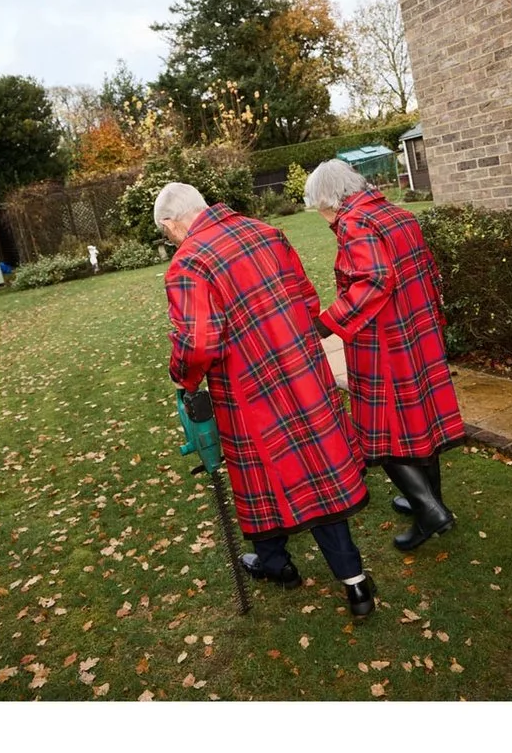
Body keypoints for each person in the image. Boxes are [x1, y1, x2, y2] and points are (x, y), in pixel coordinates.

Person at [156, 182, 376, 617]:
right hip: (302, 373)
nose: (171, 240)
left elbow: (199, 343)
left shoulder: (188, 264)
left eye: (167, 234)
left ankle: (282, 565)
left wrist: (183, 378)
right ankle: (347, 582)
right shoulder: (267, 233)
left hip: (247, 388)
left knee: (263, 473)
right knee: (317, 471)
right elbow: (307, 297)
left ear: (171, 223)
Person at [304, 160, 467, 549]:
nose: (322, 217)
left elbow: (375, 278)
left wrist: (328, 322)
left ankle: (429, 511)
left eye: (319, 207)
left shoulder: (354, 222)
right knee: (419, 423)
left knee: (380, 431)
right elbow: (429, 270)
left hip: (384, 343)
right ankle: (430, 501)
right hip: (418, 333)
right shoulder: (397, 213)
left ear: (330, 199)